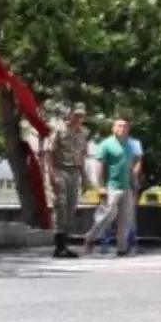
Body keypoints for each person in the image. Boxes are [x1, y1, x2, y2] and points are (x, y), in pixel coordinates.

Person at [83, 117, 135, 256]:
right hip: (111, 186)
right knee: (107, 215)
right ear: (113, 128)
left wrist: (133, 183)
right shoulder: (106, 144)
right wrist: (100, 186)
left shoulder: (129, 146)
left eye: (125, 126)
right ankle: (91, 238)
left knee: (125, 218)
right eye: (119, 126)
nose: (122, 129)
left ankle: (122, 248)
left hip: (126, 187)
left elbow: (129, 167)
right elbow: (99, 166)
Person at [44, 104, 88, 258]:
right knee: (60, 205)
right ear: (69, 116)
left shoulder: (82, 133)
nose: (79, 119)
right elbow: (48, 153)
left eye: (81, 116)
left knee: (71, 207)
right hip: (60, 169)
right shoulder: (59, 130)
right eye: (76, 115)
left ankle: (65, 244)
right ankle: (59, 245)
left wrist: (85, 176)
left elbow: (82, 155)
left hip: (74, 172)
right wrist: (52, 174)